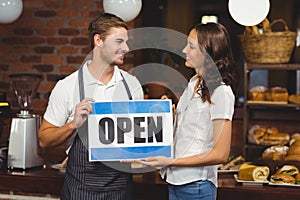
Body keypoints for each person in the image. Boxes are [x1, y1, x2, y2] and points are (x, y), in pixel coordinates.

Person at [38, 13, 144, 200]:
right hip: (80, 188)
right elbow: (44, 140)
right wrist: (73, 124)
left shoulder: (132, 85)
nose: (126, 48)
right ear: (98, 40)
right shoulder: (67, 86)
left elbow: (138, 139)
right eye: (119, 41)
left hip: (120, 186)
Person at [136, 22, 236, 200]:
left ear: (208, 52)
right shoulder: (193, 83)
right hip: (175, 181)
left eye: (191, 46)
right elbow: (190, 132)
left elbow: (220, 154)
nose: (184, 50)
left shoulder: (221, 92)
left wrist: (171, 161)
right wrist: (170, 115)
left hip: (196, 185)